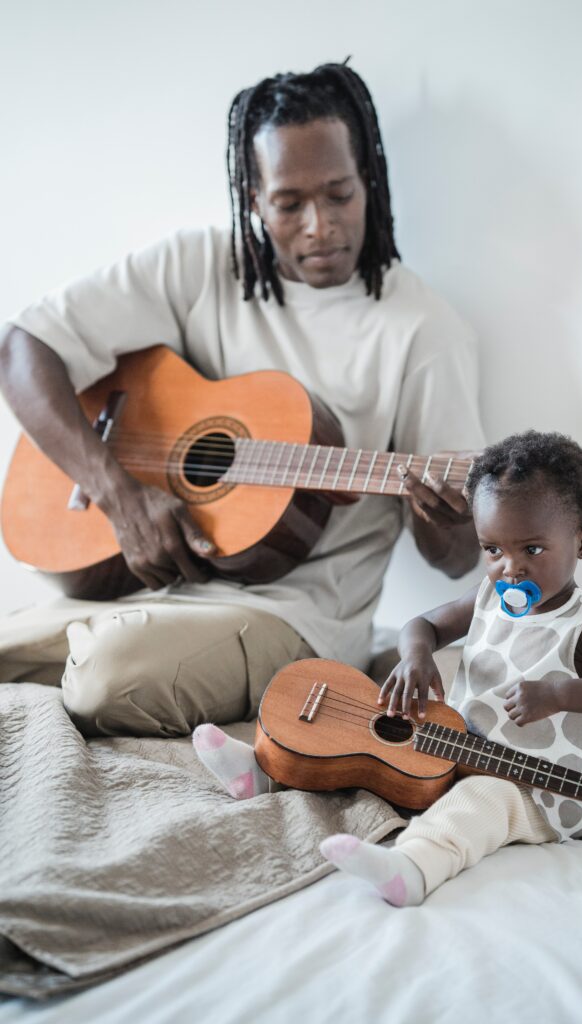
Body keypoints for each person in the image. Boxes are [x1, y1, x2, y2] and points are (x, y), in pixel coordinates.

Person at [0, 61, 484, 737]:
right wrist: (117, 492)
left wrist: (449, 513)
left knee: (109, 676)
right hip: (155, 590)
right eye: (289, 204)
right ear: (252, 199)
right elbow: (23, 348)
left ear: (369, 179)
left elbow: (458, 557)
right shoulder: (197, 266)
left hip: (295, 617)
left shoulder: (423, 331)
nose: (319, 225)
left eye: (340, 195)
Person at [193, 431, 582, 904]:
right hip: (459, 749)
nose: (510, 569)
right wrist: (416, 656)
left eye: (533, 550)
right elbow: (422, 625)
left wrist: (560, 694)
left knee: (480, 803)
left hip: (539, 788)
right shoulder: (487, 597)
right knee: (374, 759)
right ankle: (268, 772)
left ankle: (414, 868)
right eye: (493, 550)